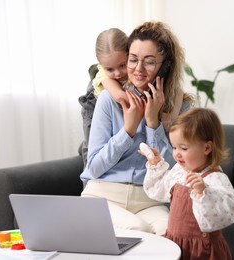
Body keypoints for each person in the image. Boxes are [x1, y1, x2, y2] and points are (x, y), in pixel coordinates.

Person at [80, 21, 194, 235]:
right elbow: (93, 167)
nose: (138, 69)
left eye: (149, 62)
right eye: (132, 60)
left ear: (165, 66)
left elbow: (172, 169)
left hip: (148, 200)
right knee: (139, 230)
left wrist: (153, 124)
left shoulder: (180, 108)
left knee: (172, 232)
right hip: (104, 194)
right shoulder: (108, 100)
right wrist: (128, 131)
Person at [141, 108, 234, 260]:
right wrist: (156, 165)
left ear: (207, 148)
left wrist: (203, 192)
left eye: (184, 148)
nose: (177, 153)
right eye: (174, 147)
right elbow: (159, 191)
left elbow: (228, 211)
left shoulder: (214, 178)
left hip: (202, 251)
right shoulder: (179, 171)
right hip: (174, 243)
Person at [78, 28, 129, 167]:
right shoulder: (102, 79)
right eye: (110, 69)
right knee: (90, 153)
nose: (118, 73)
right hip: (93, 110)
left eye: (122, 65)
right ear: (101, 66)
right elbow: (121, 96)